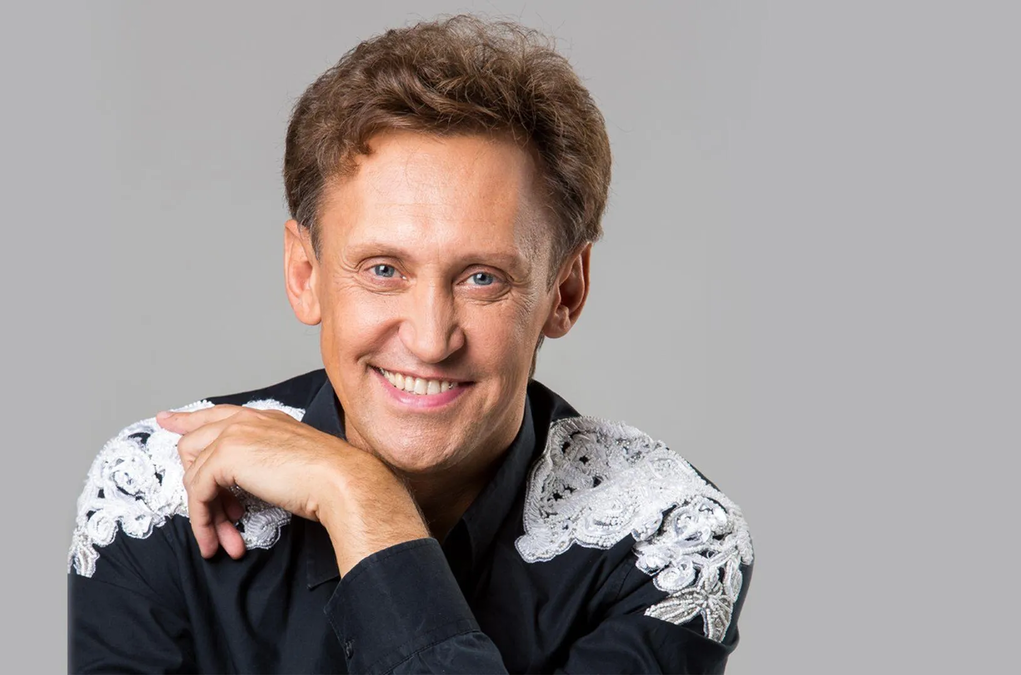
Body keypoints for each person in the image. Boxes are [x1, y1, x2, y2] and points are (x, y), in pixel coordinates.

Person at [67, 14, 753, 674]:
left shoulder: (671, 538)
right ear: (304, 275)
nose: (429, 341)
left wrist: (362, 499)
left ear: (565, 291)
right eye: (383, 270)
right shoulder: (154, 495)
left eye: (482, 278)